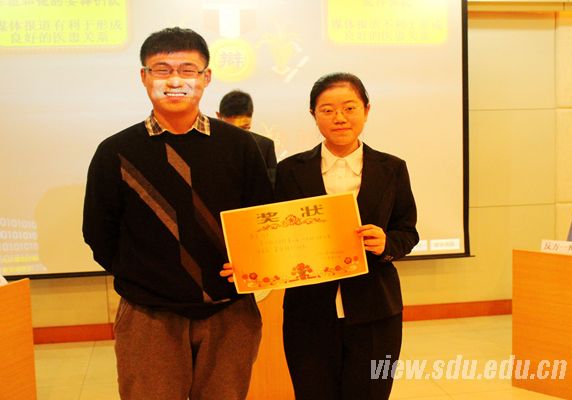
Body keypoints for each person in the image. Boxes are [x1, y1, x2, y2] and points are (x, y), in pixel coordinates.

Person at [82, 27, 273, 400]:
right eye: (161, 70)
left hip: (230, 311)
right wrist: (144, 278)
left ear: (206, 77)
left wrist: (251, 264)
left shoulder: (239, 146)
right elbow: (98, 232)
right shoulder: (115, 151)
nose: (174, 81)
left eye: (187, 70)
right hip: (149, 315)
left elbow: (261, 219)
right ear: (144, 77)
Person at [275, 72, 419, 399]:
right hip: (308, 311)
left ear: (366, 110)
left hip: (376, 309)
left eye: (349, 108)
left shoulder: (392, 168)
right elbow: (276, 234)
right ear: (313, 115)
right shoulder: (290, 171)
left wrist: (386, 243)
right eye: (327, 110)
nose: (339, 118)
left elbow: (407, 231)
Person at [216, 90, 277, 184]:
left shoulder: (265, 146)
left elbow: (271, 186)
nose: (236, 136)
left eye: (244, 129)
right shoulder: (208, 145)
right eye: (230, 129)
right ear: (218, 116)